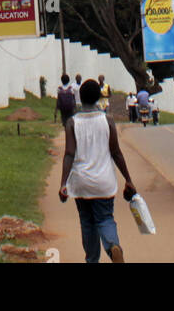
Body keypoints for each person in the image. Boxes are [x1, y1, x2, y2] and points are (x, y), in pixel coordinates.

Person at [58, 78, 138, 264]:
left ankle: (92, 259)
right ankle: (113, 246)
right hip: (104, 182)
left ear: (80, 97)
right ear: (98, 97)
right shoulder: (107, 120)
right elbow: (116, 152)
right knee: (105, 219)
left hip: (81, 182)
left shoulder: (72, 123)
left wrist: (63, 183)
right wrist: (128, 178)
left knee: (87, 223)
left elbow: (69, 154)